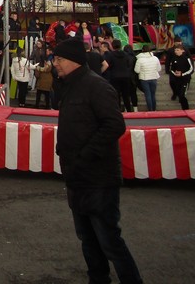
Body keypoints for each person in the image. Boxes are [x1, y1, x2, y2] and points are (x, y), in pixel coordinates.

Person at [52, 37, 142, 284]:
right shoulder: (69, 85)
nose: (55, 64)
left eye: (59, 59)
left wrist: (85, 154)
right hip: (77, 176)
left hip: (98, 177)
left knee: (109, 239)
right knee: (88, 238)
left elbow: (114, 125)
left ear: (74, 61)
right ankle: (98, 278)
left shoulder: (97, 86)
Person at [105, 40, 135, 112]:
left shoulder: (110, 55)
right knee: (126, 95)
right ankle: (129, 110)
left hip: (114, 76)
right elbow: (128, 64)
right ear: (121, 45)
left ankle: (118, 111)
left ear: (112, 46)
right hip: (126, 76)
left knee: (116, 95)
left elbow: (108, 65)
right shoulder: (126, 54)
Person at [134, 44, 161, 111]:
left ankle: (150, 110)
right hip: (153, 77)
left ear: (142, 50)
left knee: (148, 95)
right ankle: (154, 109)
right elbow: (159, 69)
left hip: (144, 79)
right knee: (153, 95)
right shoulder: (155, 58)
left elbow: (136, 71)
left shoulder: (139, 59)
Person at [166, 45, 194, 110]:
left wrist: (182, 74)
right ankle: (183, 109)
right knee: (179, 95)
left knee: (182, 95)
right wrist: (175, 73)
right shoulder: (173, 59)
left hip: (185, 80)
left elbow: (191, 69)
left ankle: (186, 109)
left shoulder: (187, 59)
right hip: (177, 80)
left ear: (182, 50)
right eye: (175, 50)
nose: (176, 51)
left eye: (177, 50)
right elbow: (171, 69)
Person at [32, 41, 53, 109]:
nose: (46, 52)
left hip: (45, 79)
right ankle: (46, 106)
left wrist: (37, 68)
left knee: (41, 93)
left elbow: (46, 69)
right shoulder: (48, 58)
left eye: (47, 51)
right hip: (45, 79)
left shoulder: (50, 59)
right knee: (44, 93)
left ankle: (40, 105)